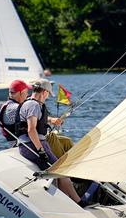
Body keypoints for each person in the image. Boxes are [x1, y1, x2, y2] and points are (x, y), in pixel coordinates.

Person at [16, 78, 85, 206]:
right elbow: (31, 130)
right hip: (33, 146)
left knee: (59, 172)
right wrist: (40, 150)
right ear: (44, 92)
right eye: (48, 94)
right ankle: (78, 203)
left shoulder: (30, 103)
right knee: (60, 172)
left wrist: (51, 120)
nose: (47, 97)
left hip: (32, 144)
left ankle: (70, 202)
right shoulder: (34, 105)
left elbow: (34, 121)